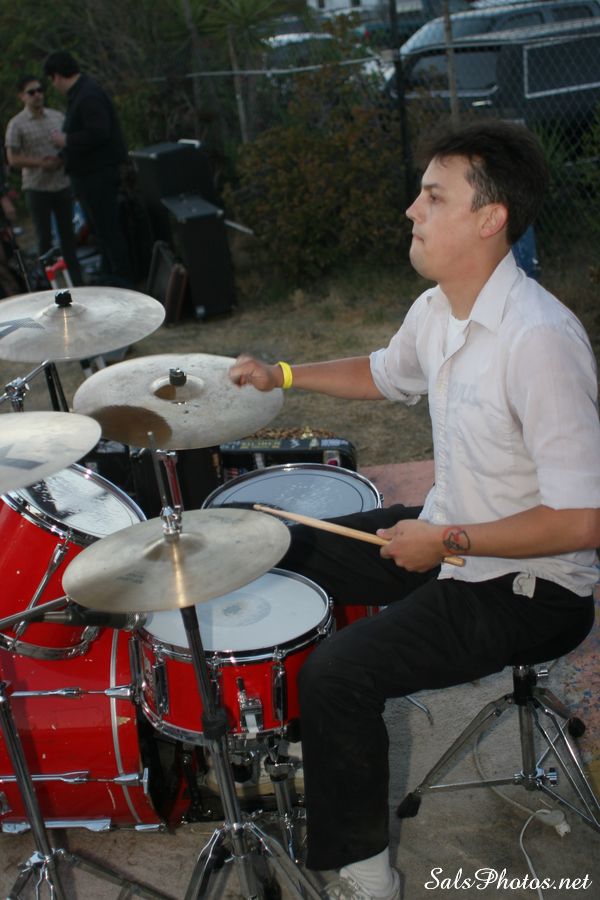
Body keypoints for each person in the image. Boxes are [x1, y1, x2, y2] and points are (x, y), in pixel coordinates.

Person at [229, 119, 600, 900]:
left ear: (489, 218)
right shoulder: (437, 310)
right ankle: (282, 750)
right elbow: (382, 372)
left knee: (339, 676)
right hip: (448, 541)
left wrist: (445, 541)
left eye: (433, 196)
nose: (412, 210)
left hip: (530, 589)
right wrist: (282, 375)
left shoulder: (541, 342)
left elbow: (581, 521)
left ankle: (368, 875)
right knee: (271, 543)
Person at [42, 51, 132, 286]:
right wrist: (61, 156)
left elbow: (99, 132)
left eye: (52, 80)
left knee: (108, 229)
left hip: (98, 176)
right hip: (87, 176)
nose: (54, 85)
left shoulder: (88, 95)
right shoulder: (80, 94)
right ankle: (110, 273)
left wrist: (66, 140)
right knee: (99, 230)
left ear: (57, 76)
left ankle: (123, 279)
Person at [5, 75, 83, 286]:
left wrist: (61, 159)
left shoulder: (56, 116)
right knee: (44, 238)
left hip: (61, 184)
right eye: (31, 92)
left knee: (68, 236)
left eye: (40, 90)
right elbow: (12, 158)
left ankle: (77, 282)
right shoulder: (17, 124)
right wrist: (40, 163)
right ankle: (48, 286)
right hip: (37, 188)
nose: (38, 95)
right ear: (22, 96)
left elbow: (70, 142)